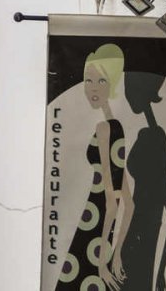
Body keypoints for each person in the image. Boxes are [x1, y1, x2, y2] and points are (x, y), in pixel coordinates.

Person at [56, 44, 127, 290]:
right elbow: (128, 203)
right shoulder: (118, 127)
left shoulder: (105, 128)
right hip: (99, 225)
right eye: (88, 80)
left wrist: (102, 261)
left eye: (101, 80)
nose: (93, 88)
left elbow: (111, 200)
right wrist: (115, 253)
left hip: (93, 223)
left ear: (112, 84)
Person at [110, 74, 166, 291]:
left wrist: (161, 272)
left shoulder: (156, 139)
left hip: (141, 239)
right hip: (134, 236)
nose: (127, 95)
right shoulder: (148, 135)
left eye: (131, 90)